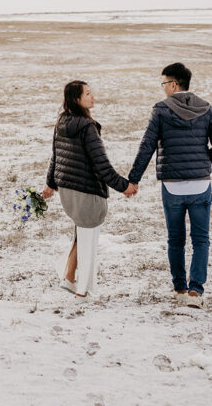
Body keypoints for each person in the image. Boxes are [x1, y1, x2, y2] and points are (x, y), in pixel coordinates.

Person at [128, 62, 212, 307]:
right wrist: (204, 162)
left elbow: (147, 147)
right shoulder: (207, 108)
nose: (162, 88)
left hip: (172, 186)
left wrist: (133, 179)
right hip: (200, 186)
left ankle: (180, 289)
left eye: (163, 83)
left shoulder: (161, 110)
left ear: (173, 84)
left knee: (176, 239)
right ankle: (196, 292)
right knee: (201, 239)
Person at [42, 80, 137, 299]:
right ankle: (83, 289)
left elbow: (55, 156)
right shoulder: (87, 127)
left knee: (80, 234)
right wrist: (125, 186)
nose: (92, 97)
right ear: (77, 99)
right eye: (87, 93)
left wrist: (51, 184)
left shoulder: (62, 122)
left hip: (68, 190)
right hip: (86, 191)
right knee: (88, 239)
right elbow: (101, 165)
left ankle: (68, 277)